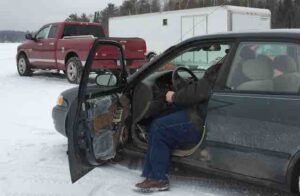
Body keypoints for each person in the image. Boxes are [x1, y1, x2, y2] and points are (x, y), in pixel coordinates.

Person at [134, 61, 223, 192]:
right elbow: (201, 89)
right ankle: (155, 149)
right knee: (165, 116)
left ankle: (158, 179)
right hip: (207, 112)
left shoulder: (224, 67)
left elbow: (200, 91)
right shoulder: (233, 66)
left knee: (159, 127)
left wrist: (174, 96)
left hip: (201, 120)